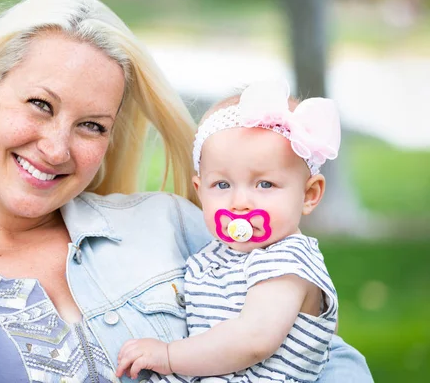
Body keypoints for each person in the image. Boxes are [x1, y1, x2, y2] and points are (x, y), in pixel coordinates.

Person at [0, 0, 372, 383]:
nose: (57, 148)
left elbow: (329, 363)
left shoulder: (173, 227)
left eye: (92, 126)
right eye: (40, 105)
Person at [116, 80, 348, 382]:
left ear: (309, 195)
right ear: (200, 191)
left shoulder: (288, 263)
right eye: (222, 185)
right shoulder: (215, 255)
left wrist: (169, 355)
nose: (240, 202)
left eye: (265, 184)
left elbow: (253, 340)